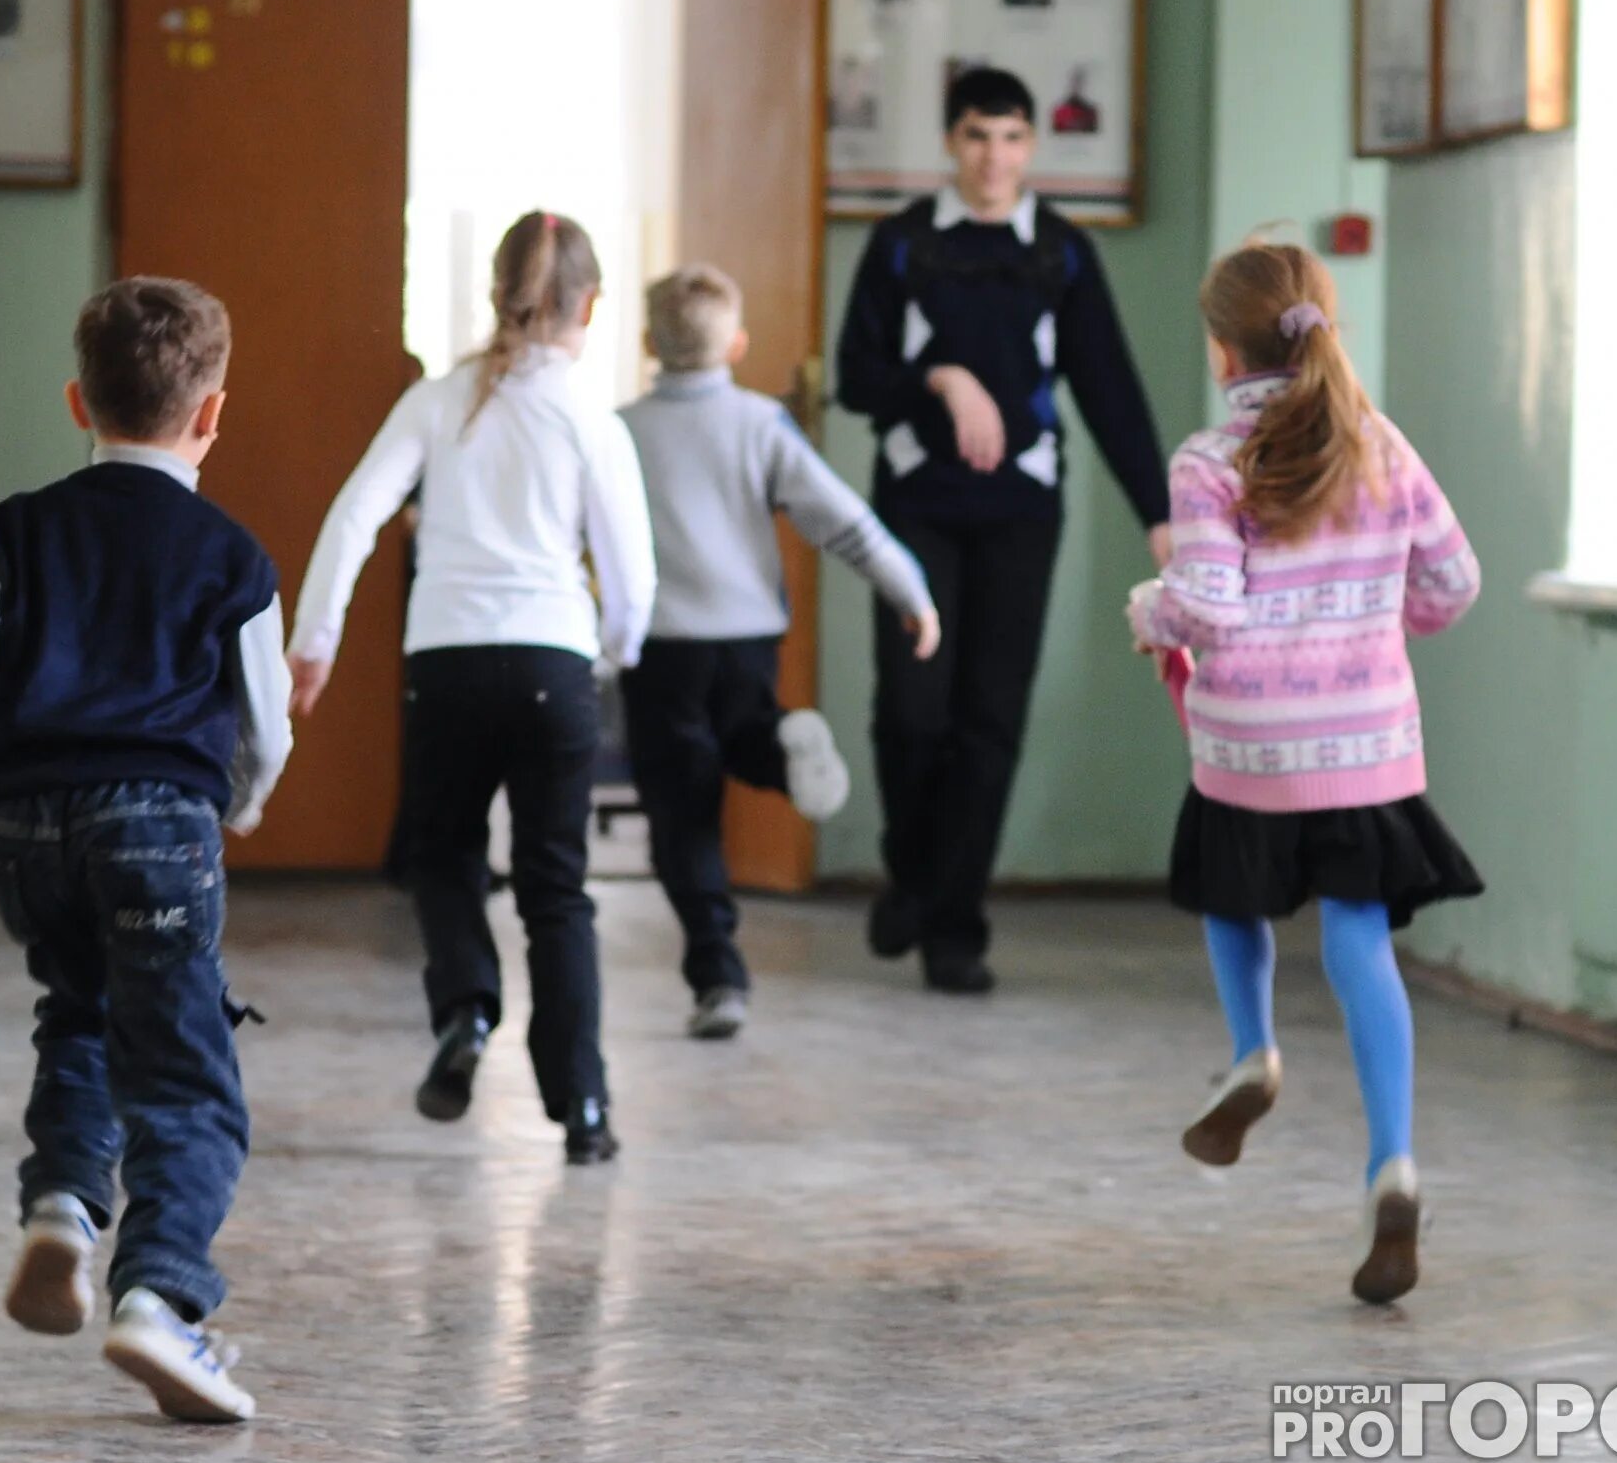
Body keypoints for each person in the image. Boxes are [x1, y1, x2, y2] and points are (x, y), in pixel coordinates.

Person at [0, 277, 292, 1422]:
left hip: (13, 826)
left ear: (75, 401)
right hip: (154, 825)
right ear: (211, 413)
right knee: (189, 1070)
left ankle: (60, 1202)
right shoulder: (233, 557)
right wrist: (237, 809)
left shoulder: (21, 524)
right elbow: (267, 724)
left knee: (83, 1004)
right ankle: (161, 1298)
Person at [1127, 242, 1483, 1306]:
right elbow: (1452, 583)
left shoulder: (1207, 459)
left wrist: (1148, 610)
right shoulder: (1379, 445)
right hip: (1363, 743)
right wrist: (1390, 619)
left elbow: (1205, 603)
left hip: (1246, 744)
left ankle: (1252, 1051)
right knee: (1356, 932)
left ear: (1219, 345)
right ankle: (1393, 1161)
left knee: (1229, 895)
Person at [286, 211, 654, 1164]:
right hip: (552, 664)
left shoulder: (438, 401)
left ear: (496, 294)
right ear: (593, 305)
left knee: (445, 854)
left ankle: (465, 1009)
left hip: (445, 661)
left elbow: (356, 512)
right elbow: (633, 576)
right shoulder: (590, 419)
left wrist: (313, 642)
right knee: (555, 888)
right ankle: (582, 1108)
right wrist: (612, 651)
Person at [837, 65, 1167, 995]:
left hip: (1021, 512)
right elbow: (856, 377)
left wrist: (1158, 514)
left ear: (1033, 146)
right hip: (912, 509)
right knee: (912, 712)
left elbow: (1108, 388)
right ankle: (912, 869)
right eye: (978, 136)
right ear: (951, 142)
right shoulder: (903, 245)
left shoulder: (1060, 253)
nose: (995, 156)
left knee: (989, 720)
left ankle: (953, 927)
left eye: (1013, 137)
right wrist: (941, 376)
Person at [620, 264, 941, 1041]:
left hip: (660, 645)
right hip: (747, 637)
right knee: (747, 736)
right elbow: (841, 517)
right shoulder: (762, 423)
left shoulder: (621, 429)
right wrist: (911, 591)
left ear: (646, 343)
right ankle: (783, 742)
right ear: (737, 343)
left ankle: (718, 971)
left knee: (683, 812)